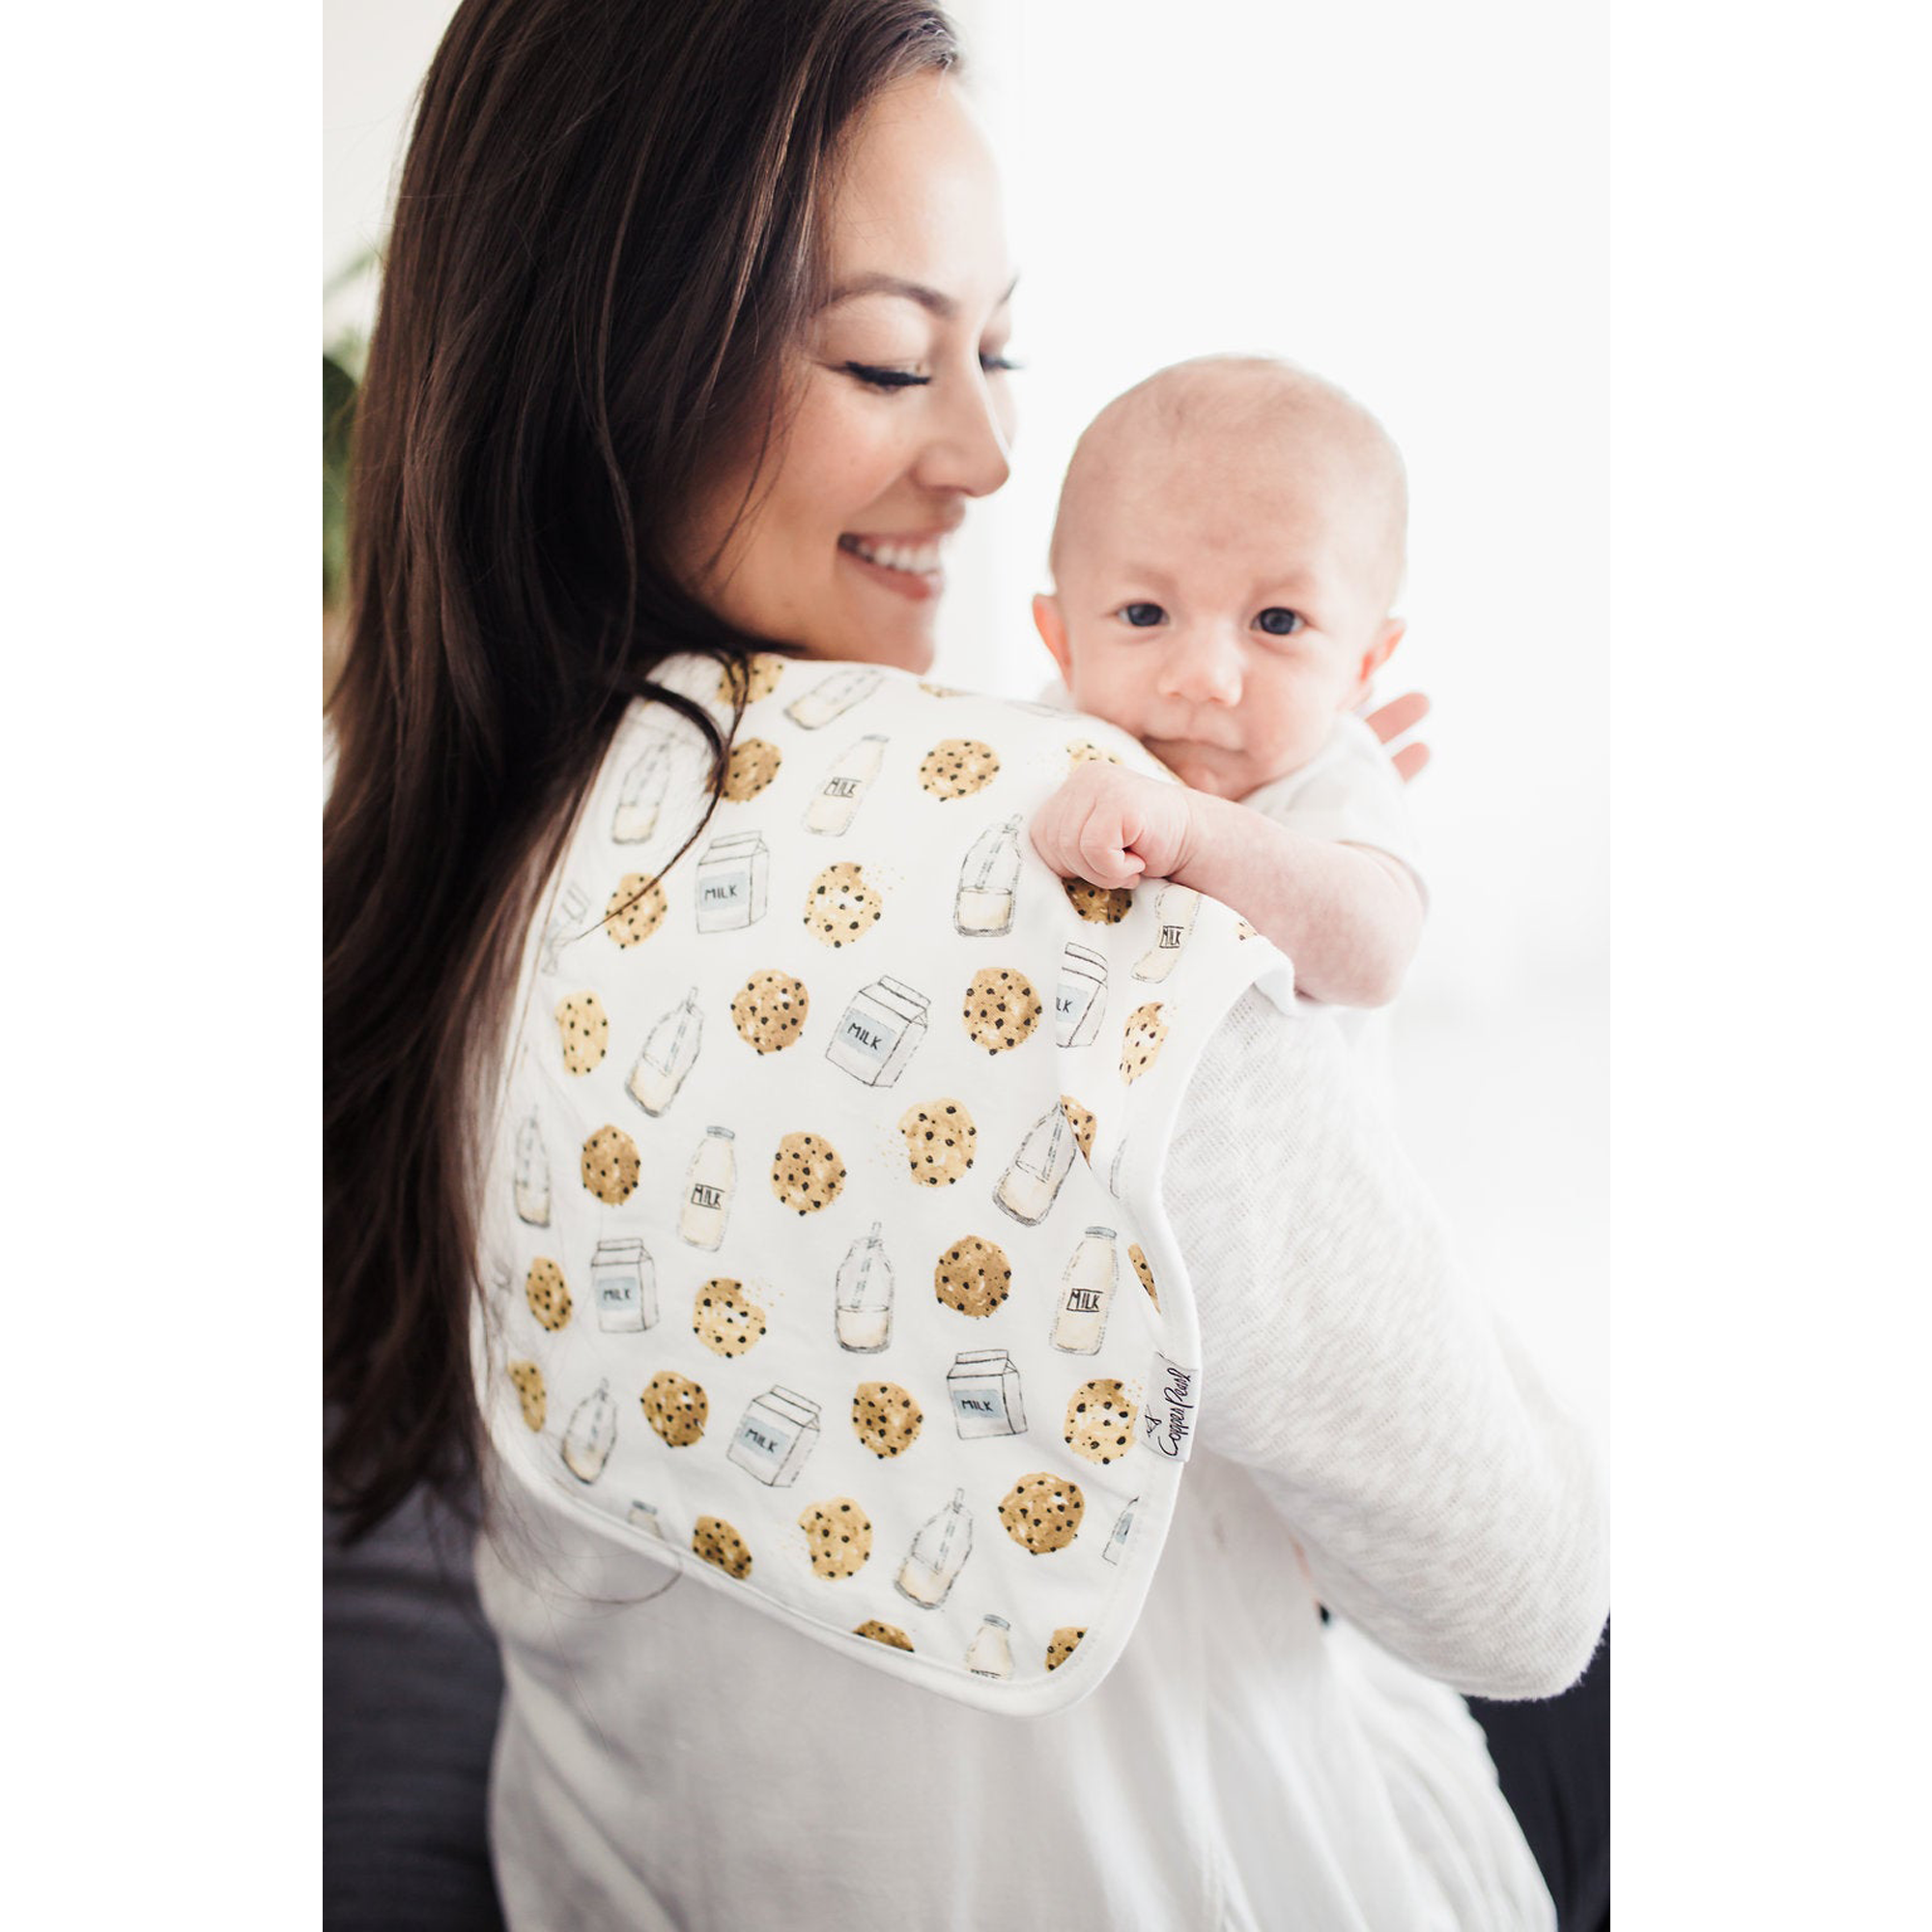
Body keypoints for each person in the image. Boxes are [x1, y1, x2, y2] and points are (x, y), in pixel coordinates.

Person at [323, 4, 1609, 1929]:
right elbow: (1524, 1593)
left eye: (995, 350)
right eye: (884, 358)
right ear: (609, 359)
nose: (996, 454)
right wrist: (1277, 978)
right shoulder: (1108, 906)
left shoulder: (464, 839)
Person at [1029, 357, 1426, 1011]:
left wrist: (1195, 834)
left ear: (1362, 666)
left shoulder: (1335, 776)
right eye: (1144, 614)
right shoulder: (1043, 734)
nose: (1204, 679)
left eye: (1277, 621)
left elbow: (1378, 960)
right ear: (1063, 642)